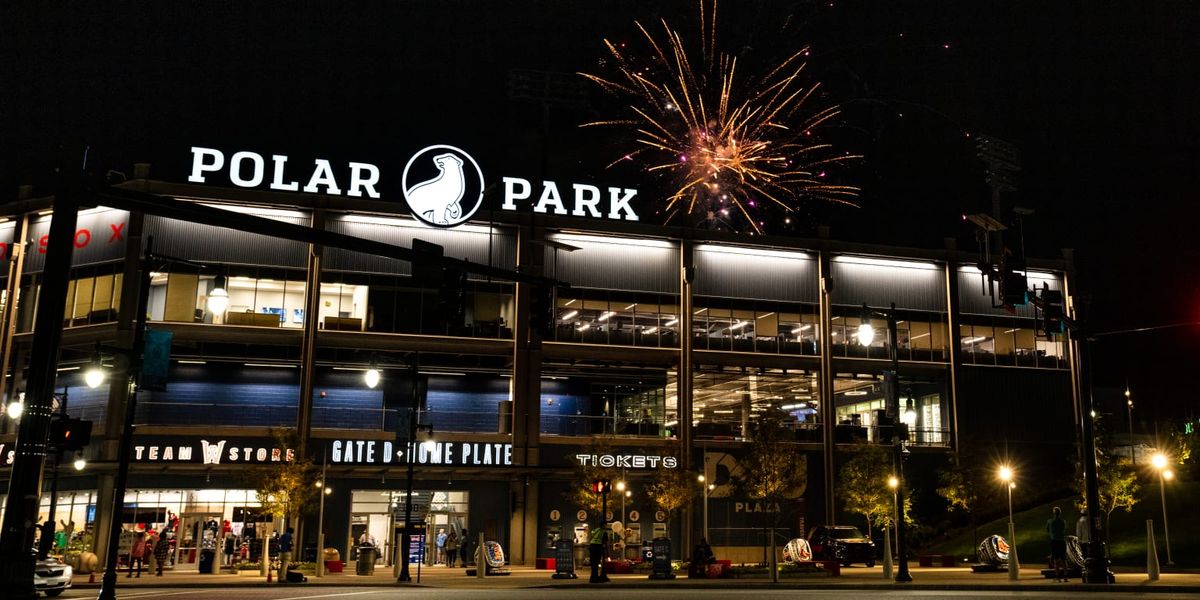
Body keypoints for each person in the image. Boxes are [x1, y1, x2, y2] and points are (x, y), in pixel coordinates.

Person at [1046, 506, 1067, 582]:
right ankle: (1065, 576)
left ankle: (1057, 576)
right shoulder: (1063, 521)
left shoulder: (1050, 521)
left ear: (1053, 513)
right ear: (1060, 513)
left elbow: (1047, 530)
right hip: (1062, 541)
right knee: (1063, 559)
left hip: (1054, 541)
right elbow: (1064, 530)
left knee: (1055, 559)